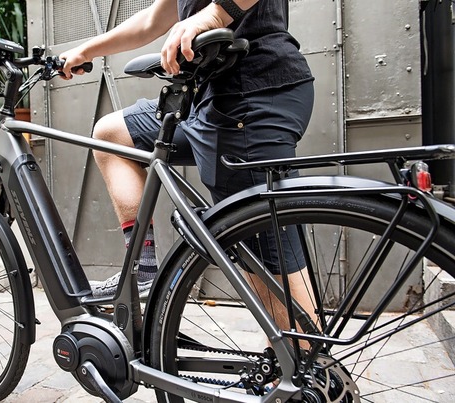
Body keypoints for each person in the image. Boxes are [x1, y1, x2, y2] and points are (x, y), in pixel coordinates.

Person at [61, 0, 316, 330]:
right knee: (112, 135)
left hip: (249, 93)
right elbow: (153, 20)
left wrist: (211, 16)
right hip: (208, 100)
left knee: (269, 263)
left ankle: (306, 373)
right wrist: (87, 50)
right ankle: (143, 270)